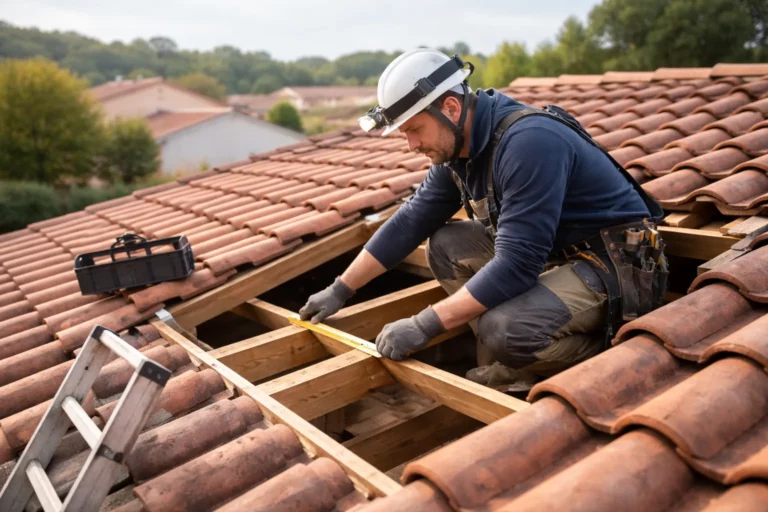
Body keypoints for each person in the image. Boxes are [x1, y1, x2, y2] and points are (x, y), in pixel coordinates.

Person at [300, 48, 668, 392]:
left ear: (451, 108)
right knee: (444, 246)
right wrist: (340, 288)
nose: (411, 146)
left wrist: (422, 324)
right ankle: (512, 363)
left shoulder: (528, 142)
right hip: (556, 250)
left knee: (504, 329)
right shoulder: (458, 149)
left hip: (617, 264)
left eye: (414, 129)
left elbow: (516, 265)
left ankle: (605, 354)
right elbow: (411, 221)